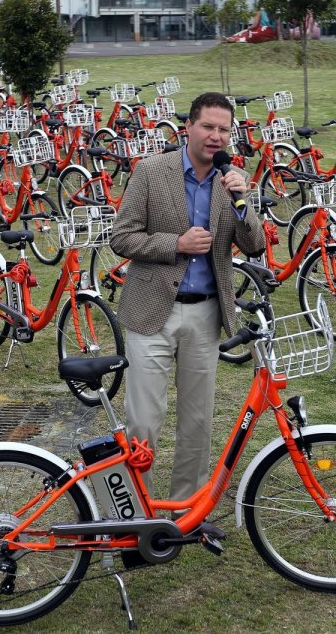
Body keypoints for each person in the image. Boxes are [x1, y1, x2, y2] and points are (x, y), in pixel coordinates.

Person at [109, 91, 265, 510]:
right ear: (189, 128)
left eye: (224, 130)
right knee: (144, 419)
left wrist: (242, 203)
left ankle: (188, 510)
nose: (216, 137)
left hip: (206, 313)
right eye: (208, 127)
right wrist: (175, 243)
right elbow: (122, 237)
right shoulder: (151, 171)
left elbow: (254, 245)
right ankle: (136, 512)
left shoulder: (231, 179)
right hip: (152, 312)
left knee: (197, 420)